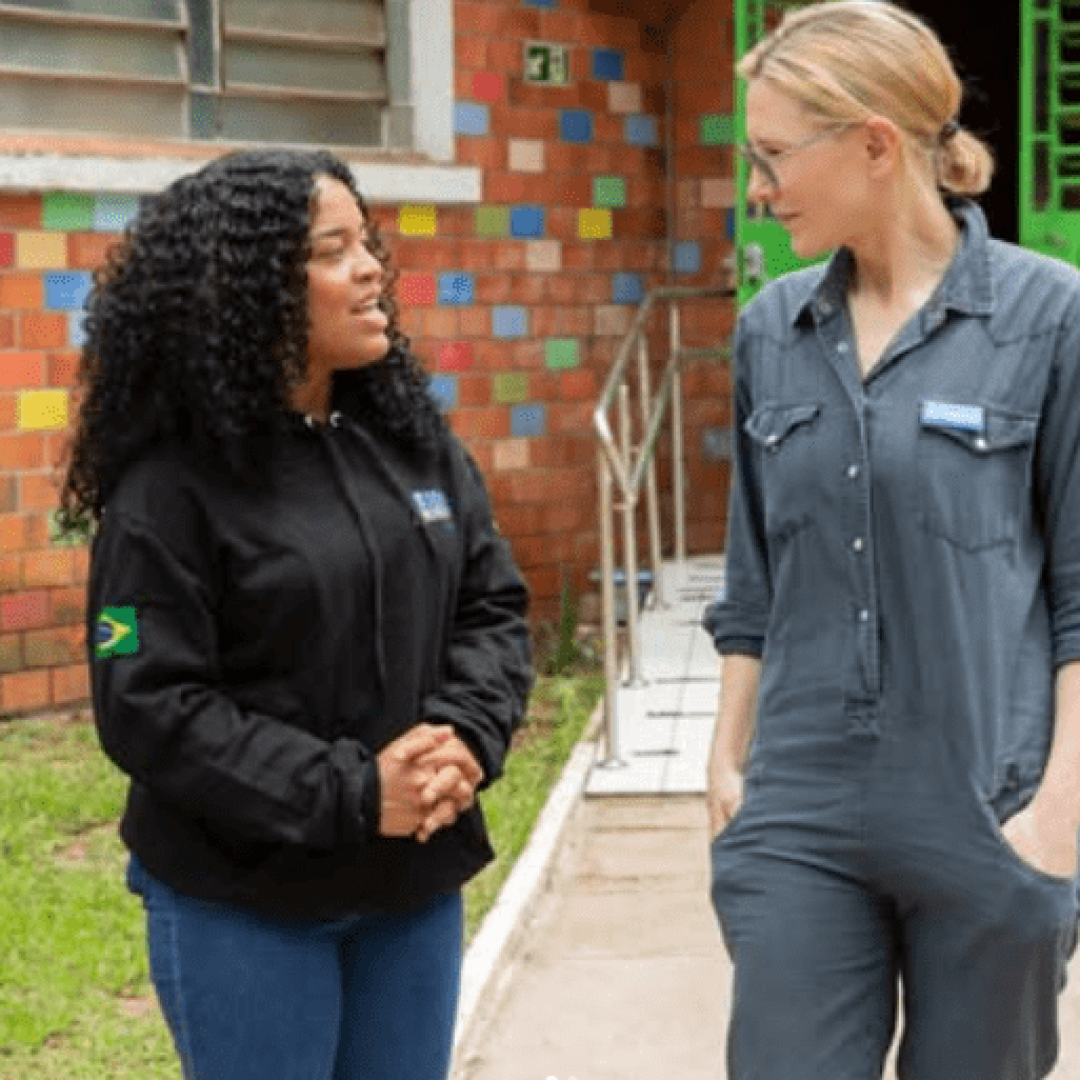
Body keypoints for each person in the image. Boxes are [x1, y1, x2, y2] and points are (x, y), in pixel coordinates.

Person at [57, 148, 532, 1080]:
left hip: (412, 888)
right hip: (246, 902)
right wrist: (356, 794)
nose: (371, 271)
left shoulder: (413, 444)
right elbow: (151, 705)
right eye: (334, 249)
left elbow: (491, 606)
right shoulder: (169, 491)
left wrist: (466, 737)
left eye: (369, 244)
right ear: (249, 289)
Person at [703, 3, 1080, 1078]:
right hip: (798, 810)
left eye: (775, 156)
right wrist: (727, 764)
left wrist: (1057, 819)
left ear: (874, 143)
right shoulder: (772, 328)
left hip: (986, 802)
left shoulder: (1053, 320)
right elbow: (752, 572)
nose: (761, 188)